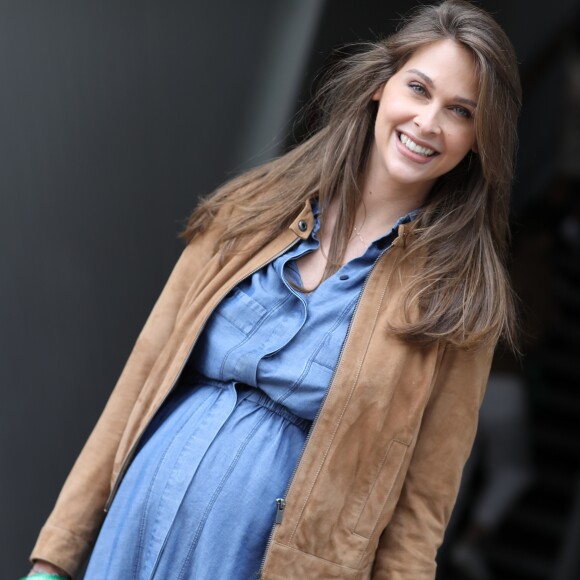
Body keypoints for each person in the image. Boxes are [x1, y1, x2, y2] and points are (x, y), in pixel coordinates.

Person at [25, 1, 522, 578]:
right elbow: (140, 378)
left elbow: (421, 512)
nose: (427, 122)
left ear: (481, 139)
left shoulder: (460, 302)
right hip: (134, 522)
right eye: (418, 88)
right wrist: (55, 556)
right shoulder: (251, 208)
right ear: (379, 88)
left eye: (460, 111)